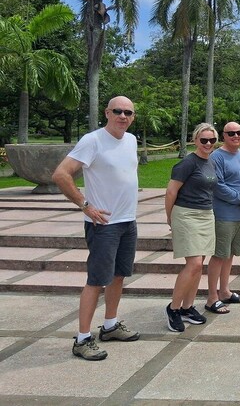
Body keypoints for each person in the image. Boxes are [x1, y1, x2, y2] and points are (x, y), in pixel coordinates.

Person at [53, 96, 140, 361]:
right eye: (118, 111)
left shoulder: (131, 140)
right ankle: (82, 339)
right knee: (95, 280)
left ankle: (111, 325)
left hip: (127, 221)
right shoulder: (92, 140)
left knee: (118, 276)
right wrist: (85, 205)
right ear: (107, 112)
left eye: (128, 112)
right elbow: (60, 174)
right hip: (103, 225)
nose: (123, 116)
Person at [164, 123, 218, 332]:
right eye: (203, 140)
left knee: (200, 262)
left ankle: (187, 307)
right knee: (194, 263)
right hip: (186, 214)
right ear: (195, 140)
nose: (207, 144)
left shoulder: (210, 162)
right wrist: (170, 218)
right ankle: (173, 308)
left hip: (206, 215)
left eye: (211, 140)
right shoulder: (187, 163)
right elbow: (170, 192)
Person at [205, 122, 240, 314]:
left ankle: (225, 291)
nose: (236, 136)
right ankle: (212, 297)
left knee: (229, 255)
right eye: (231, 133)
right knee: (219, 255)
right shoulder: (217, 157)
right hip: (224, 214)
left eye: (239, 133)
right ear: (224, 135)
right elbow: (218, 186)